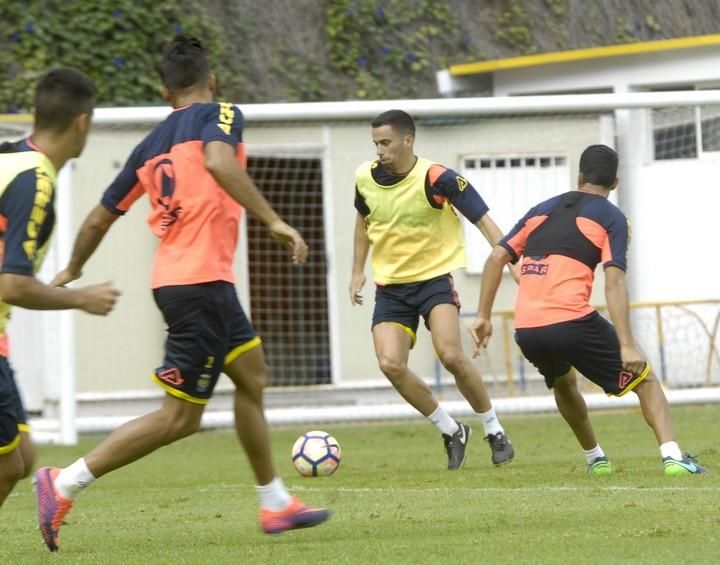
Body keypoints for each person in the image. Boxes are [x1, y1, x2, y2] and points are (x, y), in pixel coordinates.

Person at [34, 36, 329, 552]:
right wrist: (275, 220)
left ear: (164, 89)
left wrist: (72, 267)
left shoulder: (148, 146)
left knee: (252, 375)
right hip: (199, 286)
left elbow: (101, 215)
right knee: (179, 418)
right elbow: (218, 162)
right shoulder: (222, 113)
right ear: (210, 81)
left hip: (192, 281)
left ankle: (276, 502)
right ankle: (63, 483)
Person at [470, 143, 705, 476]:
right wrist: (625, 343)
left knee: (564, 382)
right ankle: (673, 457)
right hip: (572, 322)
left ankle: (595, 459)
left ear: (578, 176)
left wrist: (483, 316)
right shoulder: (612, 218)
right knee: (647, 381)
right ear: (616, 183)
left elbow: (496, 258)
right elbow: (614, 283)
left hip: (528, 329)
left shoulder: (541, 209)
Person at [350, 109, 515, 471]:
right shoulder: (365, 176)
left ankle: (494, 429)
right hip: (391, 288)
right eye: (376, 143)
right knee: (390, 364)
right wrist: (356, 271)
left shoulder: (437, 177)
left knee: (451, 355)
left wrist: (510, 259)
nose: (379, 150)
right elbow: (363, 221)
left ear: (408, 141)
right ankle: (451, 429)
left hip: (434, 281)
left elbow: (483, 220)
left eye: (386, 143)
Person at [0, 69, 119, 509]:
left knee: (22, 455)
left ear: (35, 114)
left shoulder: (9, 158)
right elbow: (12, 284)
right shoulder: (36, 180)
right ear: (82, 123)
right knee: (10, 466)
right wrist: (81, 299)